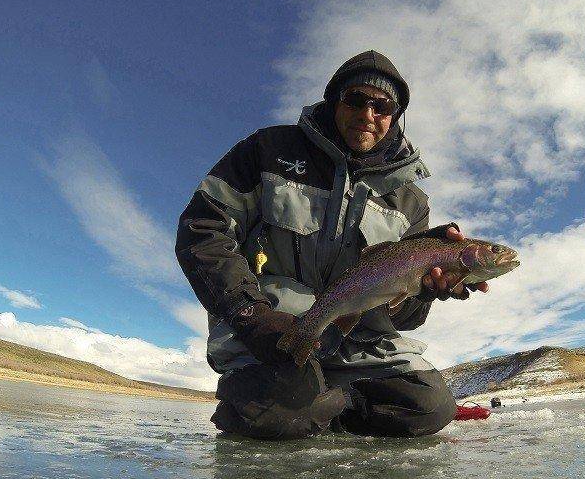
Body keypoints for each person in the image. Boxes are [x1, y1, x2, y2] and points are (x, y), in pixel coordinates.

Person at [176, 50, 489, 439]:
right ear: (333, 101)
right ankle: (294, 400)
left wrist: (423, 294)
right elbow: (203, 229)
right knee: (274, 413)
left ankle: (329, 403)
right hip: (274, 331)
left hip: (360, 345)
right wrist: (248, 314)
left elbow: (402, 317)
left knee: (430, 407)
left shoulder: (412, 203)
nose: (368, 114)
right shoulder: (267, 151)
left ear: (395, 115)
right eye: (355, 99)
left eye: (382, 105)